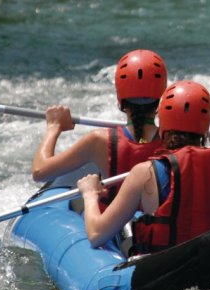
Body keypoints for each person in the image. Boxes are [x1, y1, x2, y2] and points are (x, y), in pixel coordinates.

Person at [77, 80, 210, 252]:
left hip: (167, 274)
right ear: (205, 125)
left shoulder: (144, 172)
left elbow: (96, 234)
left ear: (162, 122)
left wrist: (89, 194)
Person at [32, 49, 167, 210]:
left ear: (120, 99)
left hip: (109, 226)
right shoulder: (173, 141)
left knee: (76, 203)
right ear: (161, 98)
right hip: (157, 226)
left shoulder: (98, 141)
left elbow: (40, 172)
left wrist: (53, 127)